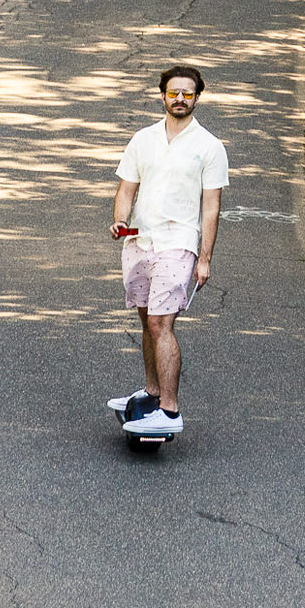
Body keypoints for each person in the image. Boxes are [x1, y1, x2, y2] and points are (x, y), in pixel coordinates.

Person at [105, 66, 229, 434]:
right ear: (162, 96)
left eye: (187, 94)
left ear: (197, 98)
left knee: (161, 322)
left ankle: (170, 411)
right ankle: (152, 393)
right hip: (140, 242)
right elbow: (126, 189)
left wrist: (204, 258)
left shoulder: (209, 147)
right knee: (147, 321)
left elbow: (211, 207)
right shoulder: (143, 139)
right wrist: (119, 219)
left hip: (179, 245)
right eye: (173, 93)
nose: (179, 99)